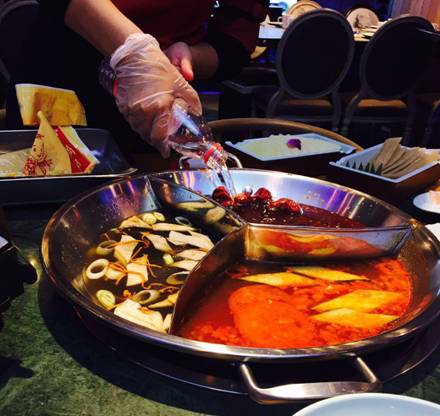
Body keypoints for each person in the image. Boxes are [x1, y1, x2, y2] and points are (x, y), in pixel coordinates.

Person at [5, 0, 269, 158]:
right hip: (61, 81)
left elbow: (234, 43)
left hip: (159, 103)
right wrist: (134, 52)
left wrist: (187, 57)